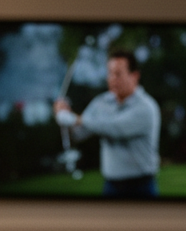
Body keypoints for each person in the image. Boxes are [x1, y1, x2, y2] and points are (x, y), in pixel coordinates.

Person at [54, 48, 161, 199]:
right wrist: (63, 115)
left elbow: (114, 128)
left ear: (135, 76)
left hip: (141, 186)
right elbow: (78, 133)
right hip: (111, 186)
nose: (112, 79)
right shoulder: (101, 103)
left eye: (118, 74)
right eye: (110, 73)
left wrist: (73, 118)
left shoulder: (146, 107)